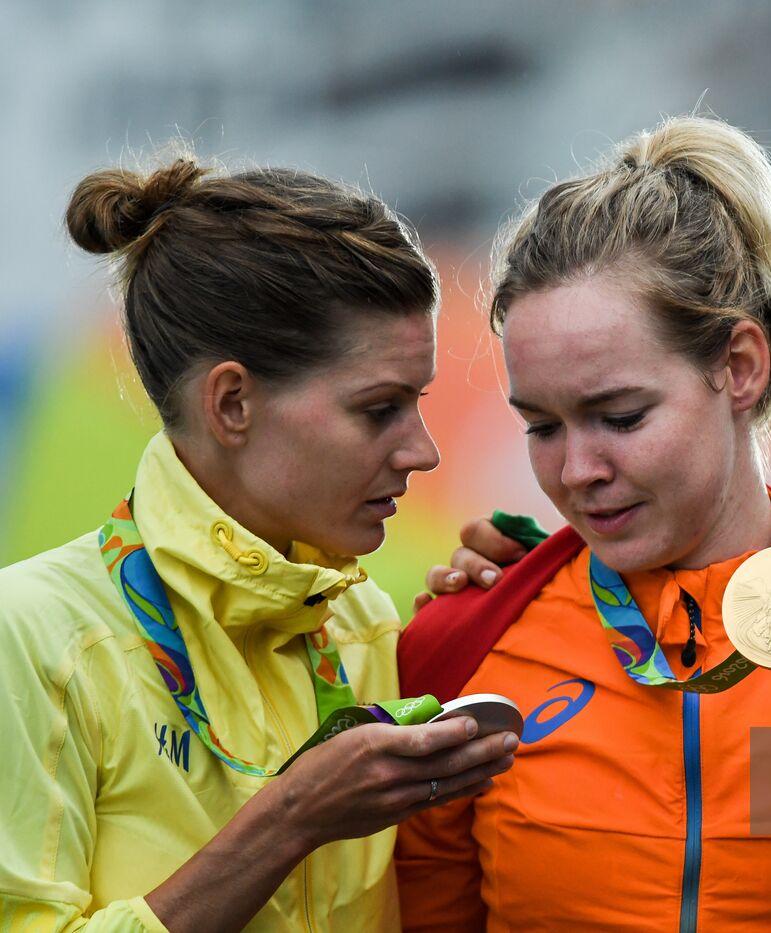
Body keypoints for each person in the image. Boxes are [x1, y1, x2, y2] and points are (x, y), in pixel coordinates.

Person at [394, 116, 771, 932]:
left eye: (619, 416)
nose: (577, 470)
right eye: (541, 427)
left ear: (740, 366)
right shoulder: (464, 640)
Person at [0, 157, 517, 932]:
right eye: (379, 409)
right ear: (233, 402)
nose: (423, 451)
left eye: (419, 402)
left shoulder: (367, 620)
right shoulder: (31, 634)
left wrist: (505, 624)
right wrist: (291, 817)